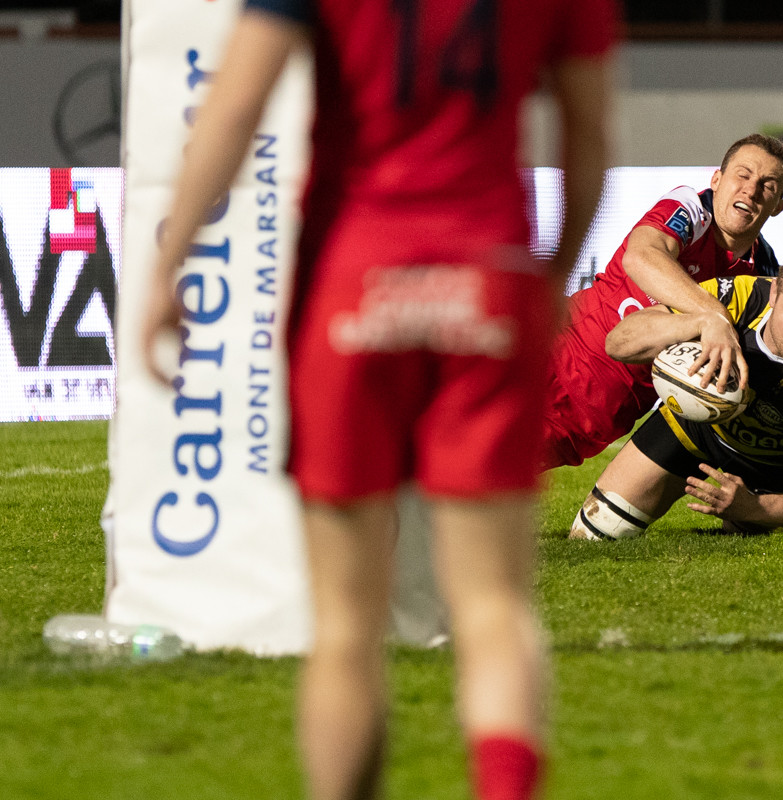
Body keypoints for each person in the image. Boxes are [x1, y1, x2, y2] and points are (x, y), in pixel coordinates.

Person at [140, 1, 618, 798]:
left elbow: (237, 102)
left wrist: (169, 262)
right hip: (486, 275)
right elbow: (591, 134)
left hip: (353, 282)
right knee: (494, 609)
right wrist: (553, 270)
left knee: (344, 628)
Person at [568, 236, 783, 542]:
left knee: (742, 546)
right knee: (593, 535)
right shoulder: (735, 298)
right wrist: (703, 323)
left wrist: (756, 507)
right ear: (775, 292)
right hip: (694, 428)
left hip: (773, 466)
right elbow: (618, 342)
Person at [541, 134, 783, 470]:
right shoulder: (692, 208)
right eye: (743, 175)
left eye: (768, 185)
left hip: (595, 416)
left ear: (778, 206)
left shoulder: (763, 274)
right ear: (716, 180)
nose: (751, 189)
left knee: (478, 484)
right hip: (551, 353)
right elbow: (642, 257)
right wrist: (715, 316)